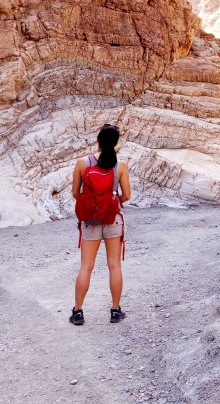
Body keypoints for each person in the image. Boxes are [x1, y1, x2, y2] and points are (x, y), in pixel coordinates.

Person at [70, 123, 131, 325]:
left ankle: (78, 312)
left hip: (90, 221)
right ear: (115, 143)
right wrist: (112, 203)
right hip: (113, 219)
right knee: (114, 266)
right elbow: (127, 195)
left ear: (97, 140)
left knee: (86, 267)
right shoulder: (120, 167)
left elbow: (75, 193)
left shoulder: (82, 163)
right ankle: (115, 310)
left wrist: (92, 204)